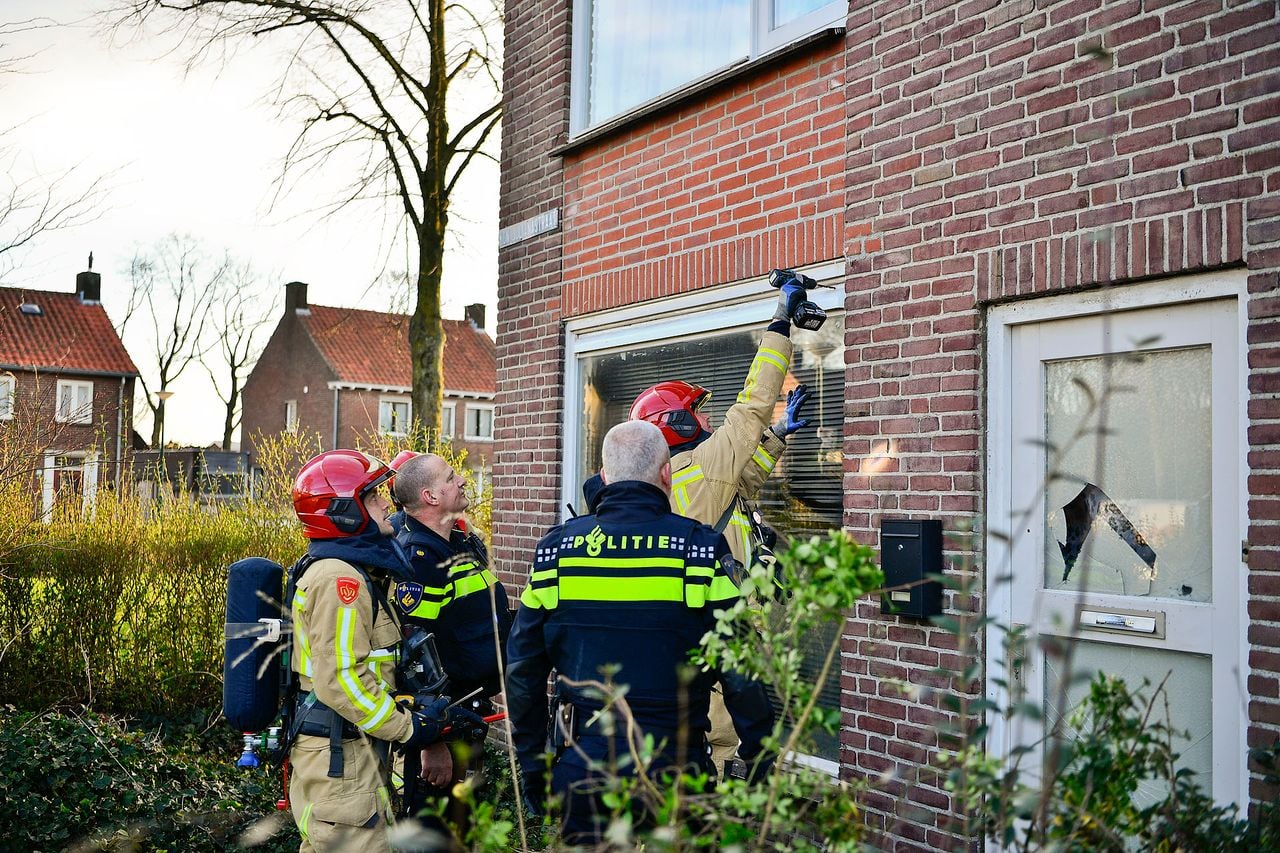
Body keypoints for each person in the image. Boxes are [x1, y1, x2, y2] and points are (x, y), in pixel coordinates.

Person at [506, 420, 774, 846]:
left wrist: (534, 765)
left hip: (584, 764)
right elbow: (741, 669)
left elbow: (522, 670)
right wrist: (760, 758)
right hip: (675, 766)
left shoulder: (555, 552)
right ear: (666, 473)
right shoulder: (700, 550)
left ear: (605, 475)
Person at [628, 275, 814, 776]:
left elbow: (739, 484)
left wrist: (775, 437)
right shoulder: (705, 463)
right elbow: (750, 406)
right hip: (721, 625)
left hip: (690, 623)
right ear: (678, 425)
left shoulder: (678, 478)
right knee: (729, 733)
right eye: (697, 415)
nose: (706, 422)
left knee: (707, 725)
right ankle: (726, 813)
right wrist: (780, 322)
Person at [286, 449, 485, 853]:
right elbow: (341, 680)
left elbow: (374, 667)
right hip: (340, 758)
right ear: (345, 511)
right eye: (373, 497)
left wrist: (418, 709)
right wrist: (412, 729)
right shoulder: (340, 580)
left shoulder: (353, 571)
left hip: (351, 750)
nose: (385, 504)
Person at [390, 452, 514, 833]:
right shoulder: (420, 558)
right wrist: (431, 743)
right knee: (437, 835)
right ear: (429, 496)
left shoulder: (459, 542)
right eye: (450, 477)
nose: (462, 481)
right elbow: (412, 658)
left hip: (467, 712)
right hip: (443, 725)